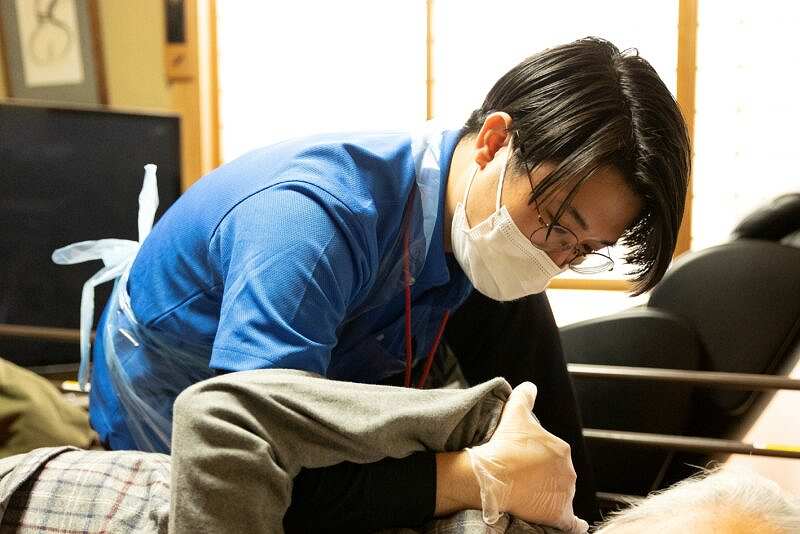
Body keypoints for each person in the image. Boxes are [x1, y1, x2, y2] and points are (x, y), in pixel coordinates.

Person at [52, 37, 690, 530]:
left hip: (308, 399)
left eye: (583, 251)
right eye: (556, 223)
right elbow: (245, 468)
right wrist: (471, 478)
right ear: (495, 141)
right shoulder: (308, 226)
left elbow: (553, 450)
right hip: (180, 419)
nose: (552, 258)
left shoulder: (489, 239)